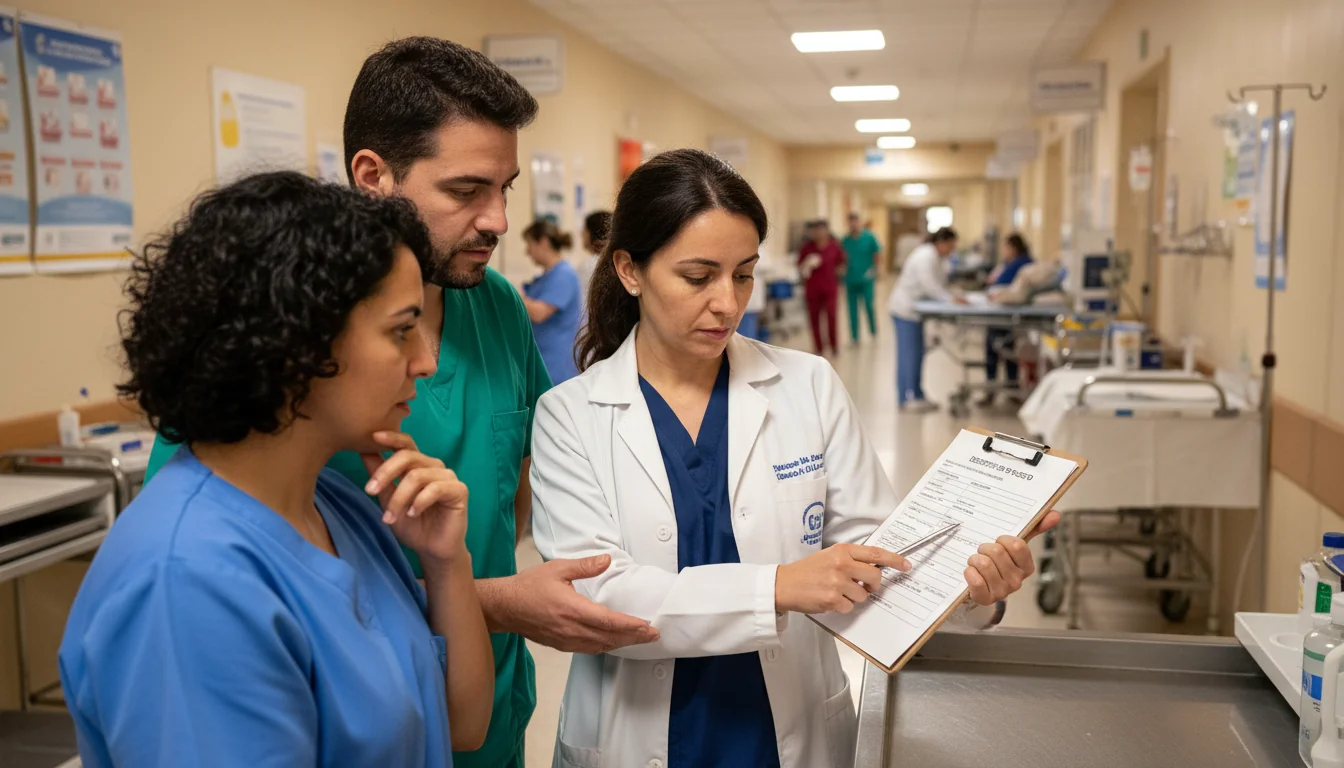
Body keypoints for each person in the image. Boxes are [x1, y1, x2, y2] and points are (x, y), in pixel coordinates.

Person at [138, 37, 657, 768]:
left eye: (505, 189)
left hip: (481, 717)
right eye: (466, 190)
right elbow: (241, 582)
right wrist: (498, 600)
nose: (499, 221)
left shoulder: (499, 308)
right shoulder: (278, 351)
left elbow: (511, 488)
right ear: (372, 176)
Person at [528, 149, 1056, 768]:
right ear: (629, 270)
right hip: (634, 737)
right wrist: (779, 586)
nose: (728, 303)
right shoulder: (572, 414)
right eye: (698, 277)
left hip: (789, 733)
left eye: (743, 274)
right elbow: (599, 602)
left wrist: (970, 590)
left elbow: (879, 556)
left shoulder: (808, 384)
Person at [60, 172, 494, 766]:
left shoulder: (339, 510)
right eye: (400, 330)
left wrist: (448, 563)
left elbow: (460, 727)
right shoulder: (187, 581)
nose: (424, 361)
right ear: (298, 346)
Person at [887, 226, 962, 413]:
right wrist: (951, 299)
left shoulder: (936, 257)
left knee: (916, 354)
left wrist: (952, 294)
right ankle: (907, 397)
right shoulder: (925, 256)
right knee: (909, 355)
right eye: (951, 246)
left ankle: (916, 394)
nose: (952, 250)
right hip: (905, 310)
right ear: (941, 243)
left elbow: (940, 282)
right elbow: (930, 285)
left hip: (915, 311)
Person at [520, 219, 582, 385]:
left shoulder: (564, 275)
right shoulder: (545, 278)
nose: (527, 251)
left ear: (544, 242)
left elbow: (539, 313)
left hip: (557, 364)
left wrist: (515, 295)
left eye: (530, 244)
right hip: (542, 359)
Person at [978, 233, 1034, 407]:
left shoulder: (1020, 264)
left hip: (1006, 313)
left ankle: (992, 388)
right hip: (1006, 312)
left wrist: (992, 285)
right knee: (1006, 347)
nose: (1003, 251)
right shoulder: (1018, 263)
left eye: (1006, 247)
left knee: (996, 346)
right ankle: (1011, 386)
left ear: (1013, 247)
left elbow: (999, 282)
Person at [798, 219, 844, 356]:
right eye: (815, 230)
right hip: (812, 290)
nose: (818, 233)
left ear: (827, 230)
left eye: (821, 229)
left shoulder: (834, 247)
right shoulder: (807, 248)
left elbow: (842, 264)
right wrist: (807, 265)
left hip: (830, 289)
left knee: (832, 317)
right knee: (814, 319)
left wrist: (838, 272)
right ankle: (818, 347)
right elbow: (800, 267)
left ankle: (834, 346)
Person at [840, 212, 880, 344]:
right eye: (850, 222)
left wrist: (875, 269)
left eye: (855, 221)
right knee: (852, 309)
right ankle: (854, 337)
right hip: (851, 279)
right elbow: (841, 259)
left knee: (868, 305)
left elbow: (877, 253)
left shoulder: (869, 237)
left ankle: (873, 332)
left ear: (859, 222)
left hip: (867, 279)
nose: (853, 224)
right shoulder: (845, 240)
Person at [577, 210, 611, 308]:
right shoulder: (613, 261)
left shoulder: (589, 265)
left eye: (584, 230)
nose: (581, 234)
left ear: (590, 233)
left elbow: (582, 304)